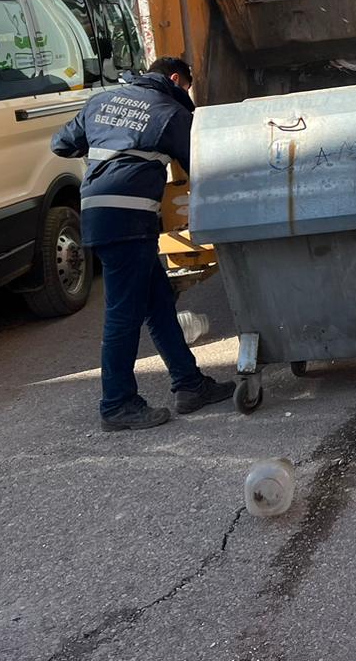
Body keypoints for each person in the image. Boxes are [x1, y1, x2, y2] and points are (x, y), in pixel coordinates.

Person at [52, 57, 235, 431]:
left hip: (99, 212)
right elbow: (204, 165)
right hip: (129, 217)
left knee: (159, 304)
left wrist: (109, 144)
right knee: (123, 314)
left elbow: (61, 144)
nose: (186, 95)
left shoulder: (102, 101)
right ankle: (116, 404)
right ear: (175, 79)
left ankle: (190, 384)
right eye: (186, 88)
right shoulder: (170, 112)